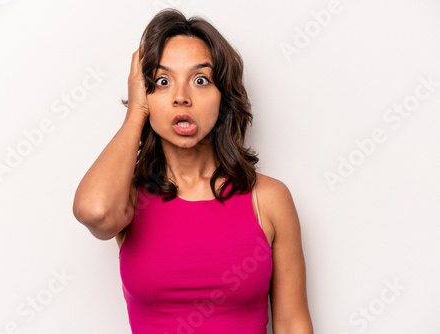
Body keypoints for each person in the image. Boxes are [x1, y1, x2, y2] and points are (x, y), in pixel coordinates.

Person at [73, 8, 313, 334]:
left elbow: (292, 324)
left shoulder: (269, 199)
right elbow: (95, 212)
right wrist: (136, 113)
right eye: (162, 81)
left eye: (200, 80)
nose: (181, 97)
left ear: (223, 97)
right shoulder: (128, 200)